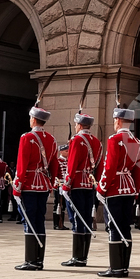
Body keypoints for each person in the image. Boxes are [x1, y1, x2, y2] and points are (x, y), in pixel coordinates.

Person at [96, 107, 140, 278]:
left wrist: (102, 188)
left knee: (114, 226)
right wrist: (136, 189)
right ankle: (124, 266)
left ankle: (116, 267)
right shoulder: (136, 142)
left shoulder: (114, 139)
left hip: (115, 187)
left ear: (118, 120)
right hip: (129, 187)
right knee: (125, 226)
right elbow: (138, 169)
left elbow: (110, 167)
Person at [12, 106, 59, 270]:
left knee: (29, 220)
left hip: (30, 183)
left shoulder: (27, 137)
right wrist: (52, 182)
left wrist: (17, 186)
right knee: (39, 220)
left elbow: (22, 164)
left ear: (33, 119)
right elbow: (54, 163)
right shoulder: (51, 139)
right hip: (44, 184)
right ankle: (39, 259)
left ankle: (31, 260)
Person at [61, 112, 103, 267]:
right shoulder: (97, 142)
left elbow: (71, 165)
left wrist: (66, 185)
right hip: (90, 185)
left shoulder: (76, 140)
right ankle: (83, 256)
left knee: (77, 219)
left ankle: (78, 257)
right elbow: (99, 166)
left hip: (77, 184)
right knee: (86, 219)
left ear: (78, 125)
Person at [52, 145, 69, 231]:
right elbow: (54, 174)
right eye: (66, 151)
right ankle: (56, 223)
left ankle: (61, 223)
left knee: (63, 206)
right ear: (61, 151)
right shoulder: (58, 161)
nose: (68, 152)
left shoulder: (68, 161)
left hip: (65, 185)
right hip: (59, 185)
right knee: (58, 204)